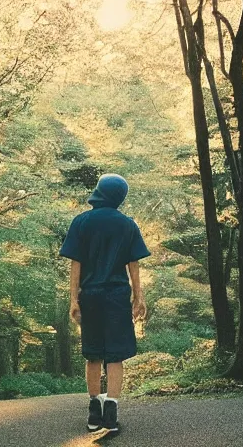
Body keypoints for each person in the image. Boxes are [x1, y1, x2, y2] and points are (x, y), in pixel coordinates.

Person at [59, 173, 149, 434]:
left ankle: (93, 412)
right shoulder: (127, 224)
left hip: (91, 295)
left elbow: (75, 263)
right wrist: (138, 296)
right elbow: (134, 264)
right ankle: (111, 415)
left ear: (99, 191)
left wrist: (73, 299)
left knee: (93, 353)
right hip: (117, 296)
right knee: (115, 355)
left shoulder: (81, 222)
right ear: (120, 196)